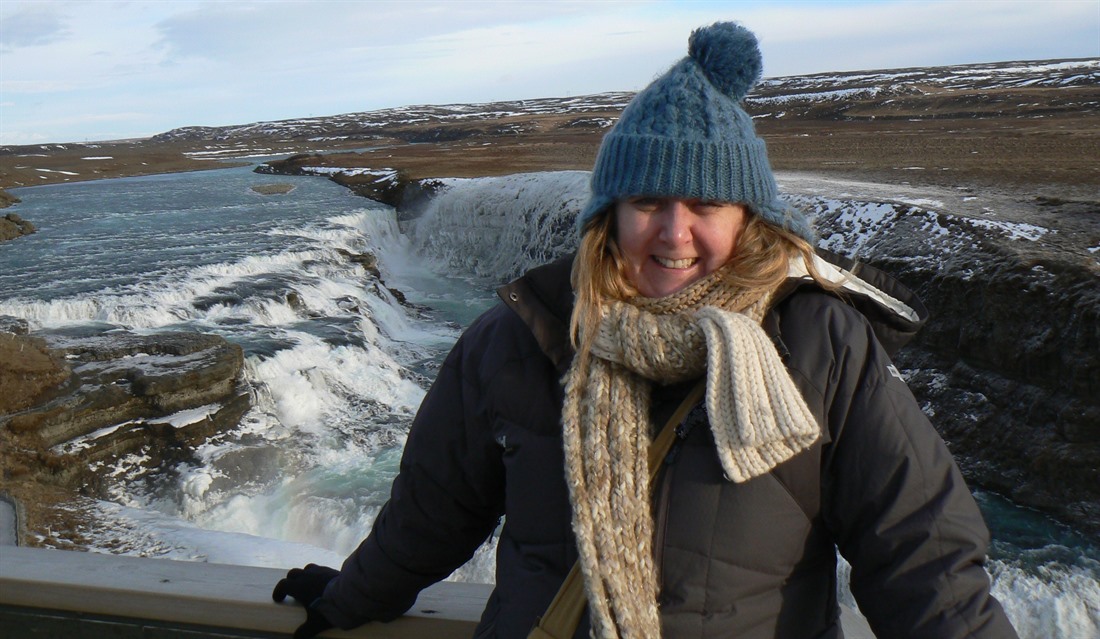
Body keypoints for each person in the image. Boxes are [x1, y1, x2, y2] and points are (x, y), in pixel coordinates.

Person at [273, 22, 1018, 638]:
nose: (674, 233)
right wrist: (351, 597)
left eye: (706, 205)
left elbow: (923, 557)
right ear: (610, 215)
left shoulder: (818, 343)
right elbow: (432, 512)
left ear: (750, 219)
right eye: (648, 202)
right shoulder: (516, 342)